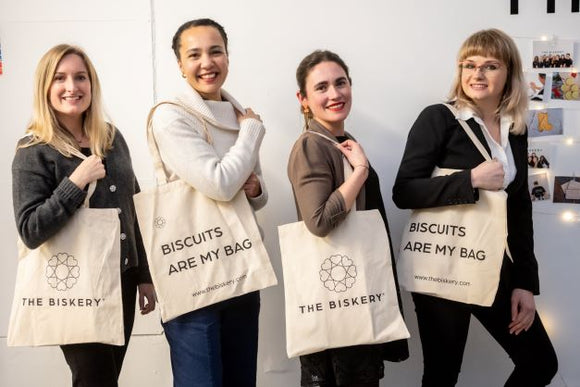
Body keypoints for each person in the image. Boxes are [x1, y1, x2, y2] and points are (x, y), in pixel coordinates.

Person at [392, 29, 558, 387]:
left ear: (509, 73)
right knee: (442, 375)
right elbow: (404, 191)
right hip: (444, 263)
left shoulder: (516, 129)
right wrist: (470, 180)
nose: (477, 74)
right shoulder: (439, 118)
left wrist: (526, 283)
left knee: (541, 363)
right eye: (469, 65)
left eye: (490, 65)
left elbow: (519, 208)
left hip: (497, 267)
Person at [11, 44, 156, 387]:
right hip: (76, 284)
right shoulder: (33, 149)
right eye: (59, 78)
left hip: (120, 282)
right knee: (95, 380)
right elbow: (30, 229)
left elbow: (134, 210)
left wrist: (144, 275)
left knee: (106, 379)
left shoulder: (110, 138)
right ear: (45, 87)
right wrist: (75, 182)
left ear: (92, 85)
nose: (71, 87)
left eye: (80, 77)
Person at [149, 18, 267, 387]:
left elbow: (252, 195)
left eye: (215, 51)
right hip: (193, 274)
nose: (207, 62)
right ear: (180, 65)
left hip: (241, 267)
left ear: (228, 56)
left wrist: (256, 190)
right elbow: (219, 184)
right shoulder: (171, 116)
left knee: (240, 379)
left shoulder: (237, 114)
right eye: (194, 54)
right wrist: (251, 132)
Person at [288, 50, 409, 387]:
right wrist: (360, 173)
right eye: (322, 87)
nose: (334, 94)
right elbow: (319, 222)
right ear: (304, 99)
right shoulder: (312, 146)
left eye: (341, 83)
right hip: (337, 294)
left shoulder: (342, 141)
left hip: (354, 289)